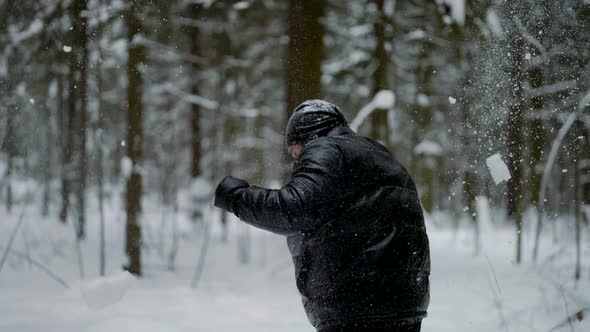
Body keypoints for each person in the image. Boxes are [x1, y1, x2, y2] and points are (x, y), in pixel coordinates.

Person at [214, 100, 430, 332]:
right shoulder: (380, 154)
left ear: (306, 136)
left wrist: (236, 196)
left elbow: (296, 209)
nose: (296, 158)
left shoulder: (325, 148)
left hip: (356, 304)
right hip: (404, 302)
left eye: (295, 152)